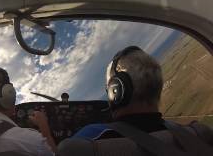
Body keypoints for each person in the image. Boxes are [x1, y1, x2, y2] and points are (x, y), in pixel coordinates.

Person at [72, 46, 213, 143]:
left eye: (107, 88)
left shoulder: (89, 138)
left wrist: (48, 136)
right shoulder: (196, 133)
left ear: (116, 90)